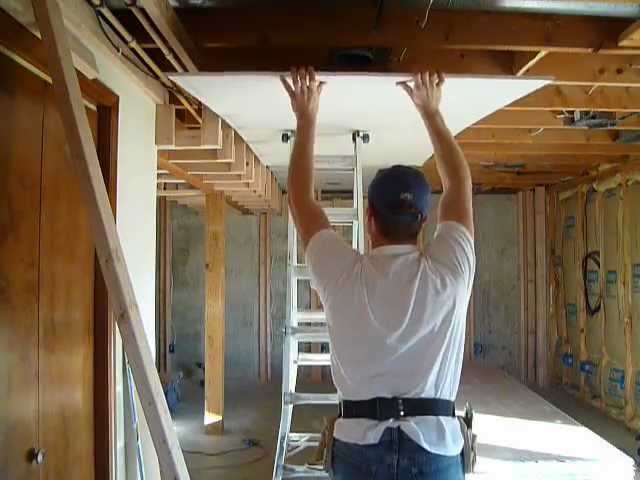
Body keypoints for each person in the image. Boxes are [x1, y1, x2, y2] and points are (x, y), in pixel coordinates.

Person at [280, 67, 475, 480]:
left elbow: (299, 198)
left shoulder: (342, 274)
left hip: (359, 449)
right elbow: (459, 185)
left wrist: (307, 116)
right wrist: (432, 113)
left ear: (369, 219)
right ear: (424, 222)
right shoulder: (451, 275)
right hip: (435, 448)